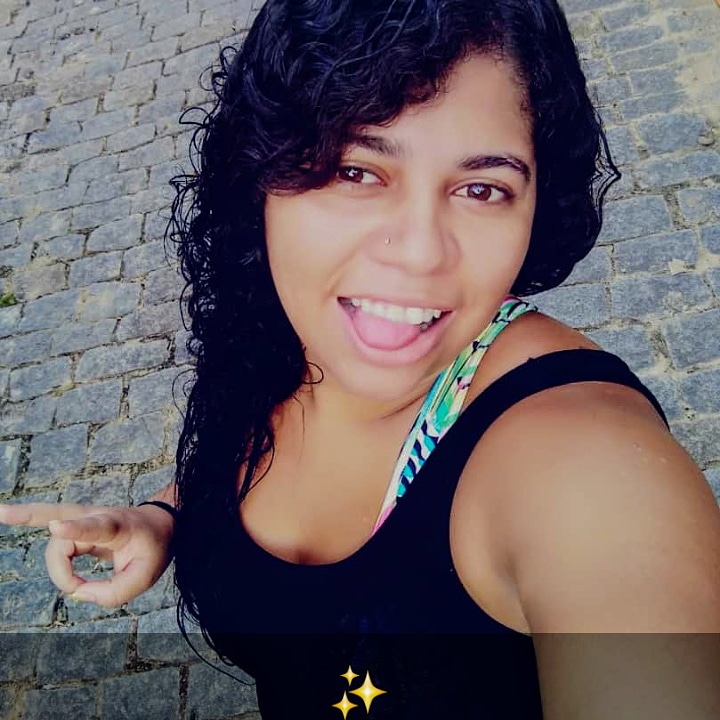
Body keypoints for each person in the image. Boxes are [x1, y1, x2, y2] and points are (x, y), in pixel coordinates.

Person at [2, 0, 720, 718]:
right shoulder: (282, 323)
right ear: (263, 171)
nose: (419, 253)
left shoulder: (587, 470)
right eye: (354, 171)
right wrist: (166, 516)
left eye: (481, 189)